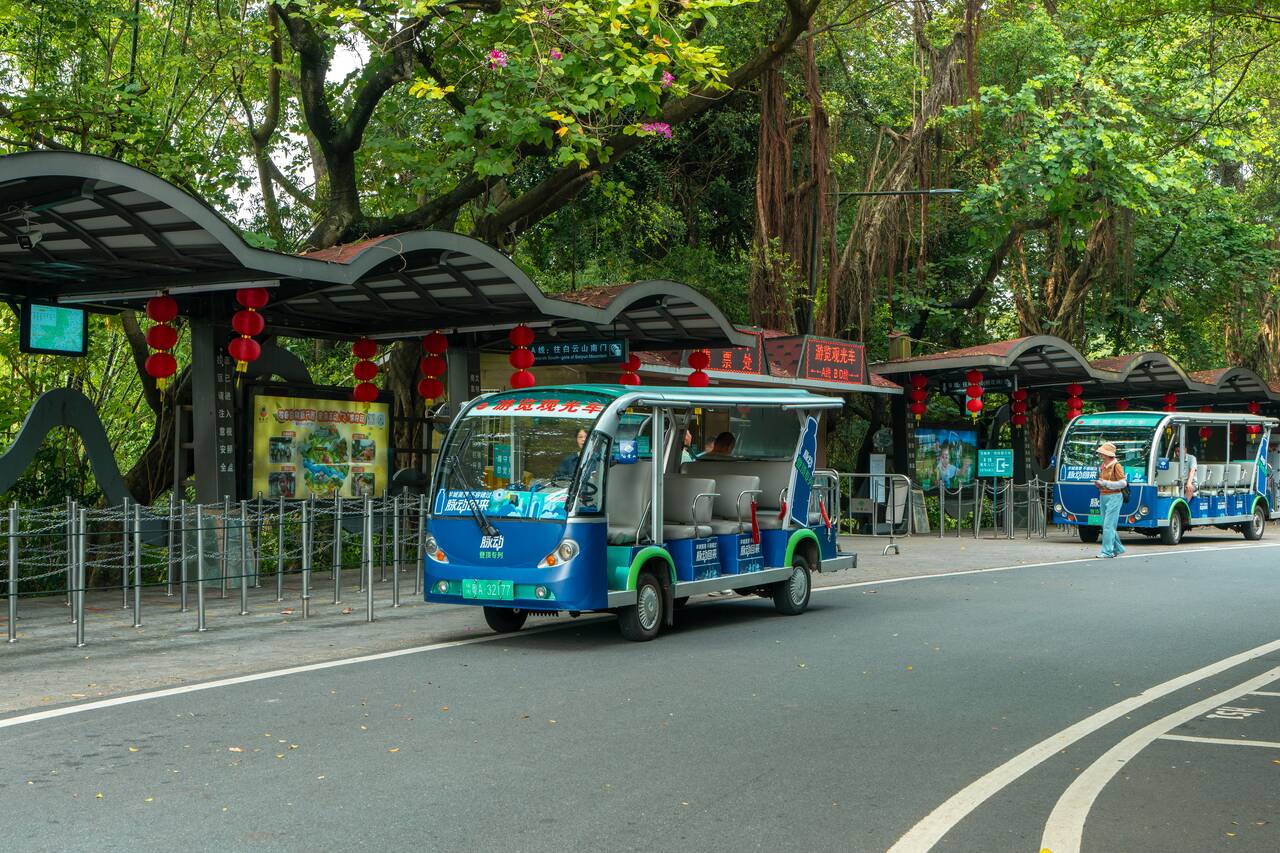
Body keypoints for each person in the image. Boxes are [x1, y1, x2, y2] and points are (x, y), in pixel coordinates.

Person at [1094, 441, 1127, 558]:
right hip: (1103, 496)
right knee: (1106, 525)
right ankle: (1118, 548)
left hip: (1114, 497)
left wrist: (1105, 483)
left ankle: (1107, 551)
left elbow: (1123, 483)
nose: (1101, 455)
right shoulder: (1103, 466)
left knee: (1108, 525)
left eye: (1103, 453)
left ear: (1108, 455)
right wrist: (1100, 484)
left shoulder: (1116, 466)